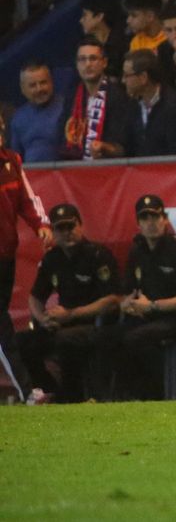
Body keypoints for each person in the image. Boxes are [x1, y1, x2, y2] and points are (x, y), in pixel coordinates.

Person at [17, 202, 117, 404]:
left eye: (70, 227)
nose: (66, 233)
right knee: (21, 343)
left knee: (65, 339)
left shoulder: (98, 255)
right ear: (53, 232)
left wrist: (72, 314)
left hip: (95, 324)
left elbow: (113, 300)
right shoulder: (52, 259)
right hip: (62, 323)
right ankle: (49, 390)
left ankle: (72, 396)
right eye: (60, 228)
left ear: (80, 226)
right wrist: (43, 319)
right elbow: (35, 297)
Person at [113, 195, 176, 400]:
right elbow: (127, 291)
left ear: (165, 219)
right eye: (145, 218)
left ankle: (154, 396)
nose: (151, 223)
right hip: (143, 316)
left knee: (136, 339)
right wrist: (127, 303)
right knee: (107, 336)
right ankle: (116, 398)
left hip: (173, 318)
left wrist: (153, 306)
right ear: (138, 224)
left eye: (155, 217)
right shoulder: (137, 251)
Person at [0, 113, 50, 386]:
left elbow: (27, 199)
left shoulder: (12, 161)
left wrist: (40, 224)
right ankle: (26, 389)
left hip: (6, 254)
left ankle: (27, 389)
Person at [60, 38, 133, 161]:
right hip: (76, 167)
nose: (88, 64)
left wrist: (104, 147)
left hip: (108, 167)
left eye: (93, 58)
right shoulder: (71, 96)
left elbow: (123, 146)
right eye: (82, 59)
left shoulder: (118, 96)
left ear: (104, 62)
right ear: (77, 65)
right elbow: (62, 137)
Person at [123, 49, 176, 158]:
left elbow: (175, 148)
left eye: (127, 75)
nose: (123, 80)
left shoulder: (174, 105)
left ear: (143, 77)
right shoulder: (132, 105)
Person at [11, 62, 64, 162]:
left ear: (51, 82)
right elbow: (15, 158)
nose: (39, 89)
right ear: (23, 89)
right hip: (29, 171)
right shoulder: (18, 118)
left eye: (43, 83)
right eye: (32, 85)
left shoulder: (68, 109)